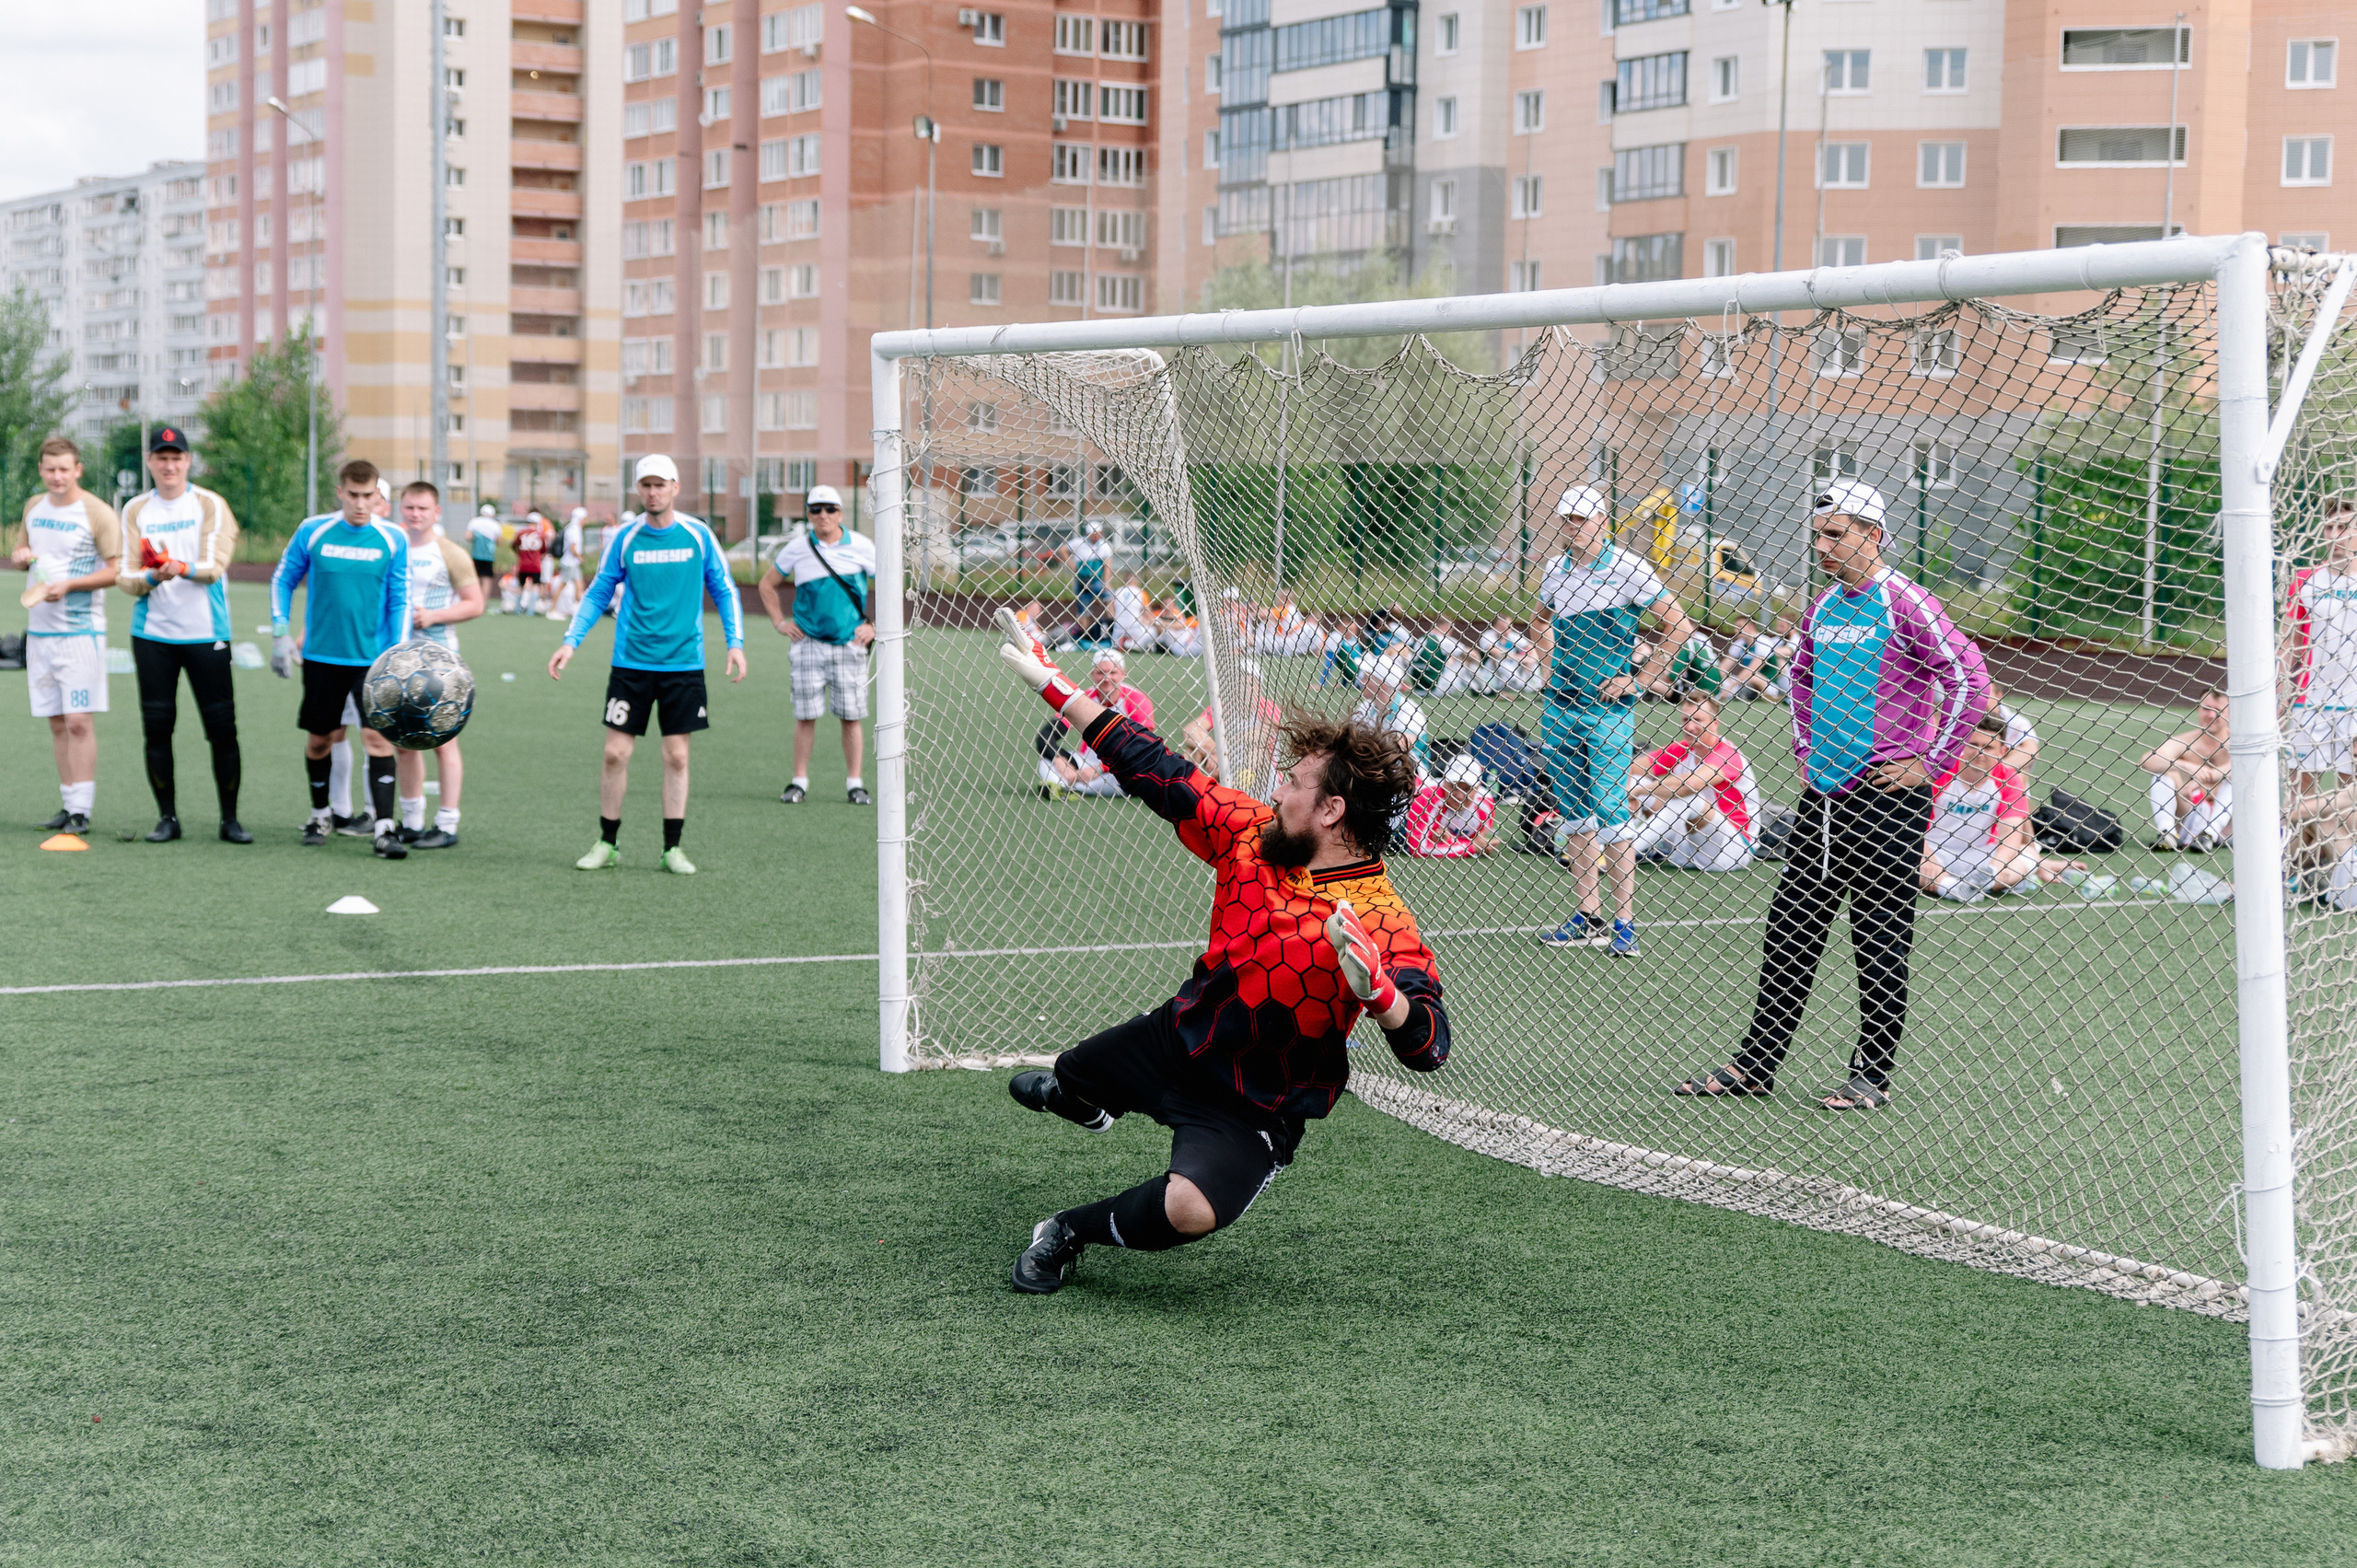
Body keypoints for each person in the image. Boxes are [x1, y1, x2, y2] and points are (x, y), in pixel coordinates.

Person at [990, 608, 1449, 1294]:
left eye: (1293, 781)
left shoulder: (1381, 920)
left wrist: (1384, 999)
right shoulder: (1254, 831)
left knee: (1190, 1208)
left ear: (1330, 812)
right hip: (1178, 1037)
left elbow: (1430, 1045)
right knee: (1072, 1074)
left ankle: (1066, 1230)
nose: (1278, 788)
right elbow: (1155, 766)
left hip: (1255, 1103)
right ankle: (1087, 1099)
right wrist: (1052, 683)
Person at [1676, 480, 1987, 1110]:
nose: (1820, 546)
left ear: (1874, 534)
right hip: (1824, 800)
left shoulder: (1906, 602)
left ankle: (1871, 1075)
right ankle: (1756, 1066)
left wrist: (1930, 763)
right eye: (1816, 535)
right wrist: (1804, 752)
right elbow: (1799, 680)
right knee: (1790, 928)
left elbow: (1968, 678)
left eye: (1835, 534)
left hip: (1888, 802)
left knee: (1879, 936)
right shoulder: (1822, 608)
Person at [554, 454, 746, 873]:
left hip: (683, 665)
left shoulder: (698, 534)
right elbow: (598, 592)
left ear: (676, 487)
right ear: (638, 489)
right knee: (614, 754)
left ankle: (671, 848)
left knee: (677, 756)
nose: (653, 492)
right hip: (632, 664)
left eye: (660, 484)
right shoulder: (625, 538)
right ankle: (608, 843)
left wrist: (736, 642)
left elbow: (725, 587)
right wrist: (571, 642)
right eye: (646, 485)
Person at [1533, 483, 1698, 958]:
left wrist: (1641, 679)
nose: (1573, 527)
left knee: (1612, 813)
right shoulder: (1555, 570)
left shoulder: (1629, 567)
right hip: (1560, 706)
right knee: (1574, 815)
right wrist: (1547, 668)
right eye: (1567, 519)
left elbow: (1679, 625)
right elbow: (1539, 621)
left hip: (1607, 711)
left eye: (1582, 519)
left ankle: (1625, 923)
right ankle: (1589, 915)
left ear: (1603, 520)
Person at [269, 459, 412, 857]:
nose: (361, 504)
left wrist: (397, 651)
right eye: (353, 495)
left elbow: (400, 597)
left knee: (377, 739)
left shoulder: (393, 538)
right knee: (321, 741)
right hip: (321, 657)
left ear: (378, 496)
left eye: (369, 496)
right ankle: (320, 814)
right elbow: (283, 579)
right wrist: (281, 631)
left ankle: (385, 828)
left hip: (373, 661)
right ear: (340, 492)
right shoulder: (314, 530)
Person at [118, 424, 249, 843]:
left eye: (177, 457)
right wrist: (154, 578)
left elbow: (215, 565)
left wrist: (181, 568)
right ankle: (167, 818)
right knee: (157, 729)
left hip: (206, 633)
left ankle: (230, 820)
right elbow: (126, 575)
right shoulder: (136, 508)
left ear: (188, 461)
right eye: (161, 457)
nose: (169, 464)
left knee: (222, 729)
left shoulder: (209, 503)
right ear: (151, 463)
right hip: (153, 635)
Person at [10, 436, 121, 833]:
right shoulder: (33, 508)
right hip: (40, 633)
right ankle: (68, 802)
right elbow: (21, 551)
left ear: (78, 470)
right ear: (41, 470)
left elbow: (116, 571)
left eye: (65, 469)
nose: (57, 477)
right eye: (50, 469)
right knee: (56, 721)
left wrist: (71, 586)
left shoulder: (97, 512)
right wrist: (20, 557)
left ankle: (83, 811)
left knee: (77, 721)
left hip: (81, 633)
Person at [758, 484, 875, 806]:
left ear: (840, 512)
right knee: (806, 715)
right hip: (807, 643)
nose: (823, 515)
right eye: (815, 509)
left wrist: (873, 626)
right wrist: (780, 623)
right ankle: (799, 781)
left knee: (851, 716)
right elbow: (767, 585)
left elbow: (892, 586)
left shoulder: (863, 546)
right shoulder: (797, 547)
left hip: (849, 644)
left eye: (830, 509)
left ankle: (855, 783)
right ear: (808, 514)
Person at [390, 482, 483, 848]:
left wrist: (433, 616)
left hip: (440, 662)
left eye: (423, 509)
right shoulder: (392, 546)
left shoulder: (450, 553)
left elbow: (474, 603)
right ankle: (412, 821)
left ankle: (447, 825)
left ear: (436, 512)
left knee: (444, 741)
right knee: (404, 743)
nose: (415, 515)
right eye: (410, 507)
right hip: (398, 662)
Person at [1918, 714, 2077, 901]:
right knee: (1906, 859)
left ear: (2002, 750)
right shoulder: (1939, 772)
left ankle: (1983, 882)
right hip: (1932, 849)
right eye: (1973, 745)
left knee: (2027, 855)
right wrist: (1928, 860)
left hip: (1979, 855)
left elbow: (2010, 837)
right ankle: (1951, 888)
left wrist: (1996, 868)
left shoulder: (2008, 779)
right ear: (1961, 745)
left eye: (1988, 747)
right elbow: (1914, 828)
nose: (1979, 753)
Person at [1628, 692, 1759, 872]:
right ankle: (1620, 842)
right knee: (1634, 780)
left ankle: (1623, 853)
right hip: (1686, 843)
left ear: (1715, 723)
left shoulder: (1727, 754)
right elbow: (1632, 769)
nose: (1690, 727)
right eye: (1685, 720)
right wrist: (1632, 791)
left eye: (1698, 720)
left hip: (1731, 849)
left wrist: (1638, 791)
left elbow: (1690, 785)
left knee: (1689, 798)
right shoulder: (1682, 748)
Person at [2286, 498, 2357, 796]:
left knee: (2350, 793)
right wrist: (2280, 694)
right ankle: (2298, 844)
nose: (2334, 535)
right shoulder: (2305, 580)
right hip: (2310, 702)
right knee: (2300, 792)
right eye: (2329, 527)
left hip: (2354, 703)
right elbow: (2290, 645)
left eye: (2343, 527)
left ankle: (2347, 843)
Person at [1037, 649, 1155, 798]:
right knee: (1047, 759)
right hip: (1086, 761)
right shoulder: (1082, 698)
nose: (1106, 678)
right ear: (1092, 674)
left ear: (1123, 674)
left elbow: (1142, 747)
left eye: (1113, 673)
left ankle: (1068, 787)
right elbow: (1045, 736)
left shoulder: (1137, 700)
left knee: (1135, 773)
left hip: (1117, 767)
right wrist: (1058, 758)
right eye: (1100, 672)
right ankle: (1067, 786)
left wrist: (1100, 768)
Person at [2142, 688, 2234, 852]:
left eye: (2218, 711)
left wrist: (2210, 776)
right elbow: (2147, 760)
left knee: (2238, 779)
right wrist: (2186, 766)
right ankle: (2167, 833)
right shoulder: (2188, 740)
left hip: (2226, 828)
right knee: (2165, 771)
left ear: (2229, 713)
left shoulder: (2238, 744)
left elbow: (2250, 769)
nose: (2211, 716)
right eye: (2206, 709)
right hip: (2192, 813)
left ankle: (2209, 835)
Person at [1350, 654, 1431, 778]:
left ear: (1381, 684)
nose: (1361, 681)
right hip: (1373, 769)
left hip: (1407, 776)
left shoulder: (1409, 710)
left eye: (1366, 678)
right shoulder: (1366, 706)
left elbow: (1401, 745)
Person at [1401, 752, 1499, 856]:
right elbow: (1418, 849)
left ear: (1478, 787)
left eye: (1467, 789)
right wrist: (1471, 848)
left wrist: (1449, 840)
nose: (1460, 796)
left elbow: (1478, 840)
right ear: (1444, 781)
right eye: (1454, 786)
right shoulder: (1426, 796)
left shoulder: (1486, 803)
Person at [1055, 517, 1113, 646]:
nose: (1096, 537)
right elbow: (1063, 550)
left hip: (1097, 580)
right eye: (1093, 534)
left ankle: (1110, 630)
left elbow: (1107, 565)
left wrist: (1107, 582)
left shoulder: (1104, 546)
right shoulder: (1079, 543)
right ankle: (1084, 636)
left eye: (1098, 534)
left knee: (1109, 598)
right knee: (1084, 608)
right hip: (1082, 580)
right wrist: (1073, 566)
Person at [1722, 613, 1794, 702]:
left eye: (1739, 627)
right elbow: (1723, 668)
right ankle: (1745, 693)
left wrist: (1730, 687)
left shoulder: (1764, 642)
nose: (1736, 630)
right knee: (1727, 679)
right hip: (1745, 681)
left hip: (1769, 685)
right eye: (1735, 627)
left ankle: (1770, 695)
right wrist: (1723, 680)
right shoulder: (1739, 643)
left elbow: (1751, 671)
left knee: (1752, 677)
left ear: (1751, 627)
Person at [1983, 681, 2039, 778]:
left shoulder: (2016, 721)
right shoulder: (1965, 719)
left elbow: (2031, 751)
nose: (1979, 701)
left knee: (2019, 759)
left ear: (1998, 696)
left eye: (1985, 696)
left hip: (2000, 781)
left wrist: (1992, 773)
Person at [1479, 614, 1542, 694]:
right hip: (1496, 677)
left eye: (1508, 627)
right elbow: (1497, 653)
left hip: (1516, 672)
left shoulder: (1512, 636)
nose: (1506, 631)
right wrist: (1521, 658)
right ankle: (1524, 687)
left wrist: (1530, 660)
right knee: (1500, 661)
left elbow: (1532, 649)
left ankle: (1535, 684)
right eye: (1502, 628)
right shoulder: (1487, 636)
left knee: (1532, 660)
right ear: (1494, 627)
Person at [553, 505, 588, 620]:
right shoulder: (574, 529)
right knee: (562, 586)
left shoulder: (573, 528)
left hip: (573, 562)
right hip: (570, 562)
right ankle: (552, 610)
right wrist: (580, 557)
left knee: (579, 585)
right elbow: (573, 548)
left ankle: (580, 610)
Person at [514, 511, 550, 616]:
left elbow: (514, 545)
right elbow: (544, 550)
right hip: (535, 565)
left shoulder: (521, 533)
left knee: (521, 585)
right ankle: (531, 609)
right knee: (535, 585)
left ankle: (518, 608)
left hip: (523, 564)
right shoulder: (540, 535)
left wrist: (521, 554)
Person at [1111, 571, 1155, 652]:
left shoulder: (1117, 591)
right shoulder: (1140, 592)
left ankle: (1122, 642)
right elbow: (1148, 613)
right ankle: (1131, 644)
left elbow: (1111, 612)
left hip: (1118, 630)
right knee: (1153, 631)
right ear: (1136, 581)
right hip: (1135, 629)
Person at [467, 503, 502, 594]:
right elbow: (499, 541)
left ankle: (475, 599)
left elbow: (468, 536)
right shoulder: (495, 524)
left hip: (476, 554)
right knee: (486, 579)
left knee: (475, 579)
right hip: (488, 556)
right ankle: (483, 602)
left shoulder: (475, 522)